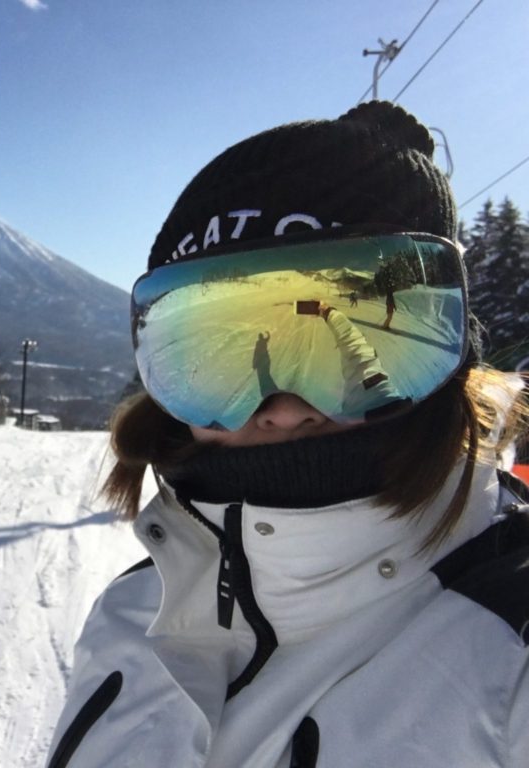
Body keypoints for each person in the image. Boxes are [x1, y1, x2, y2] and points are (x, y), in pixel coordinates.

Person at [46, 102, 529, 768]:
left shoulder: (509, 641)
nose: (281, 409)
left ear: (448, 361)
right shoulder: (132, 611)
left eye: (348, 347)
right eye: (220, 357)